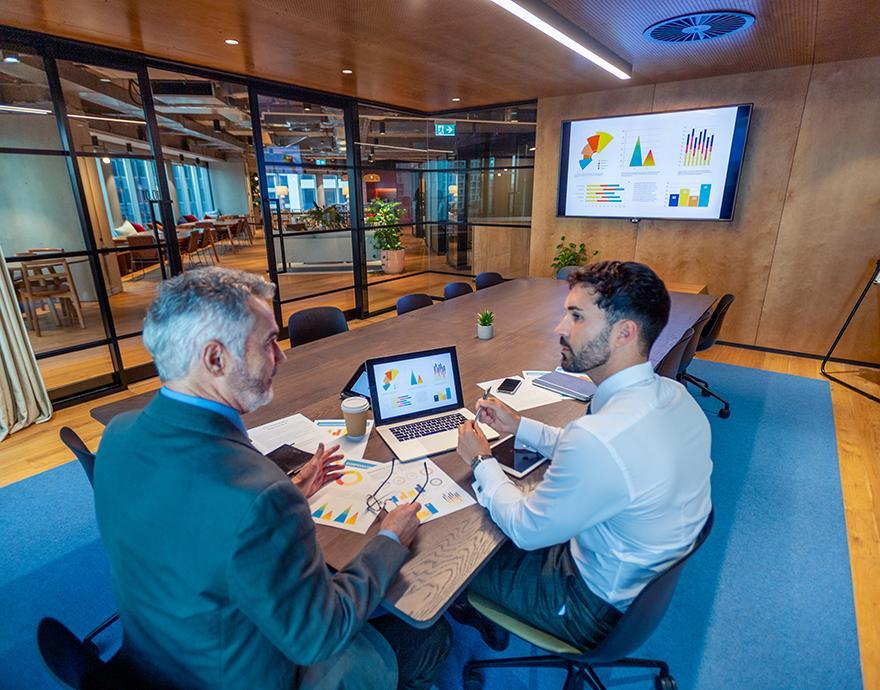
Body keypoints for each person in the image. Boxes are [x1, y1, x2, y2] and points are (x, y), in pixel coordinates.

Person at [93, 267, 450, 690]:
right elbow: (320, 635)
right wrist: (390, 539)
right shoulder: (259, 496)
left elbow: (193, 520)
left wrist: (292, 492)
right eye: (268, 343)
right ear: (215, 359)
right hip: (236, 675)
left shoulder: (118, 434)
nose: (281, 356)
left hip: (156, 657)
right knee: (430, 636)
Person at [455, 261, 713, 650]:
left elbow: (526, 529)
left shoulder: (600, 439)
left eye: (576, 317)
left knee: (452, 560)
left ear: (624, 333)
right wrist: (519, 426)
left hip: (587, 607)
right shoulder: (673, 396)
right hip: (634, 580)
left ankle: (454, 624)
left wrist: (481, 461)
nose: (559, 328)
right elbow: (607, 455)